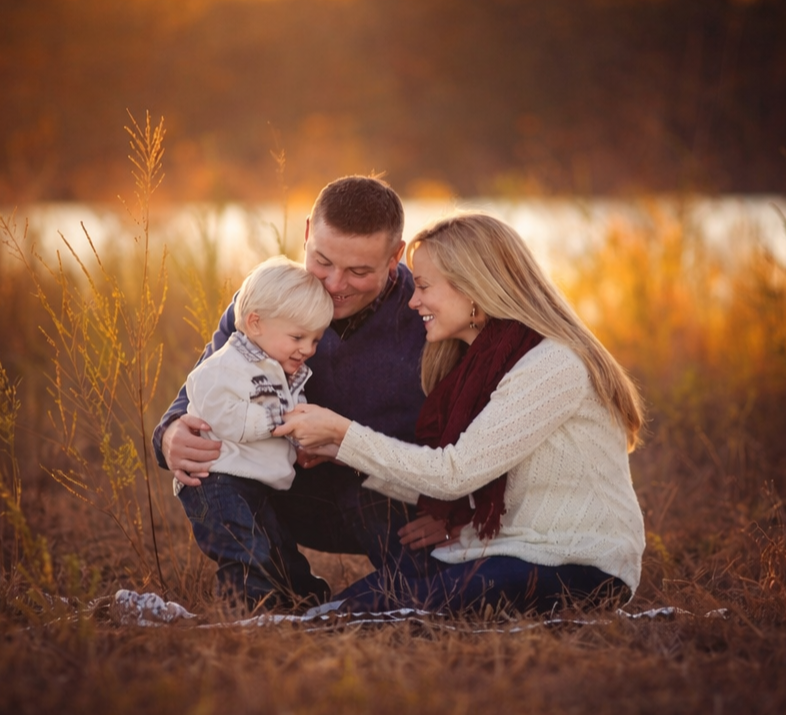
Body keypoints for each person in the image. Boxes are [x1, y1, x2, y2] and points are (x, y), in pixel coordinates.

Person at [275, 211, 647, 614]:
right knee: (351, 605)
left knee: (362, 615)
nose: (414, 301)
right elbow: (461, 480)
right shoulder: (476, 365)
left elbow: (455, 474)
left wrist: (343, 434)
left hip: (576, 565)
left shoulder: (552, 364)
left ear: (473, 289)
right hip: (499, 551)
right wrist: (336, 450)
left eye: (424, 287)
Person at [153, 175, 430, 607]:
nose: (335, 284)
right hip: (283, 490)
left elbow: (468, 438)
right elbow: (205, 382)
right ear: (306, 234)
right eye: (322, 261)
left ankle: (378, 599)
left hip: (384, 501)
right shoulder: (269, 300)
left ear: (396, 255)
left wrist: (454, 511)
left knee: (429, 585)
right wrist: (170, 435)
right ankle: (274, 588)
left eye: (358, 271)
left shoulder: (427, 314)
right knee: (220, 474)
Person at [177, 256, 332, 606]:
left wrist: (305, 439)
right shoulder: (224, 366)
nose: (307, 349)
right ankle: (247, 612)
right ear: (255, 323)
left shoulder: (283, 369)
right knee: (247, 552)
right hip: (217, 482)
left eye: (315, 340)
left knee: (278, 548)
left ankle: (303, 594)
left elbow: (290, 419)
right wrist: (278, 421)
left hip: (255, 485)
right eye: (298, 337)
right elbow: (222, 414)